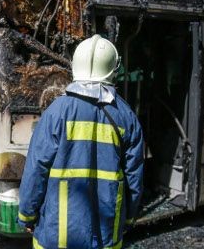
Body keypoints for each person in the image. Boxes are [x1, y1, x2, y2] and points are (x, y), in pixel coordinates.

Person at [17, 35, 145, 249]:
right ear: (113, 69)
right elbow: (134, 177)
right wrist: (129, 218)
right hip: (106, 236)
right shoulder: (126, 117)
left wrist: (27, 215)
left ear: (76, 66)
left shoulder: (56, 112)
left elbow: (36, 168)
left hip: (57, 235)